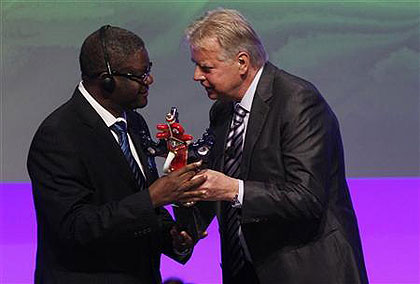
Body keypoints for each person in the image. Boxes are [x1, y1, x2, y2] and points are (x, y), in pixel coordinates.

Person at [183, 8, 368, 284]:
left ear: (242, 62)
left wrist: (233, 188)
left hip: (308, 271)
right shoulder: (223, 110)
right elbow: (216, 182)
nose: (197, 76)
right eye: (196, 65)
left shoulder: (297, 101)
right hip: (246, 271)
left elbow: (307, 197)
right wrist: (187, 227)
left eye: (206, 67)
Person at [27, 25, 206, 284]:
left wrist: (172, 237)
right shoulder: (58, 136)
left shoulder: (133, 122)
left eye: (149, 69)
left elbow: (136, 199)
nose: (149, 80)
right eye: (140, 74)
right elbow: (73, 227)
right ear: (106, 80)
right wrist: (152, 198)